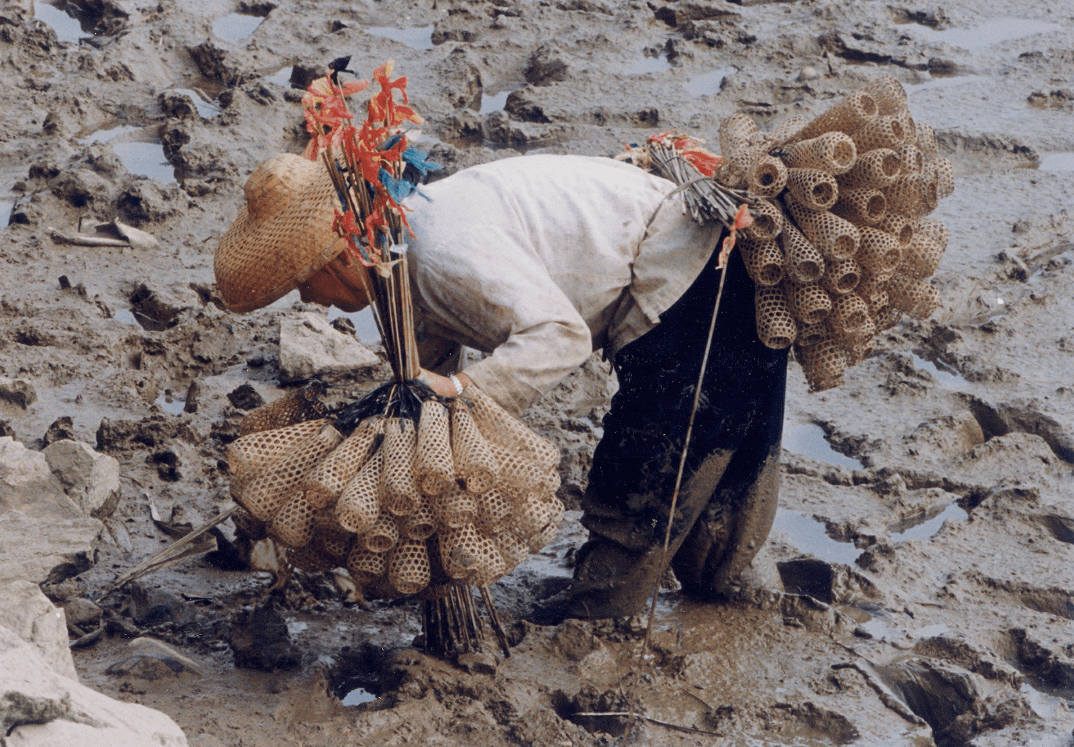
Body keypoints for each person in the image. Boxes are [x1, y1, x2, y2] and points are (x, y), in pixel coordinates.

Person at [214, 151, 788, 621]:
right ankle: (738, 606)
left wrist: (462, 392)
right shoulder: (401, 250)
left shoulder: (437, 254)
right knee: (719, 477)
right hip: (698, 268)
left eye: (302, 285)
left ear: (339, 256)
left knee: (646, 474)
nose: (309, 301)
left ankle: (595, 623)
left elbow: (558, 336)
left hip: (701, 276)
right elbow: (427, 365)